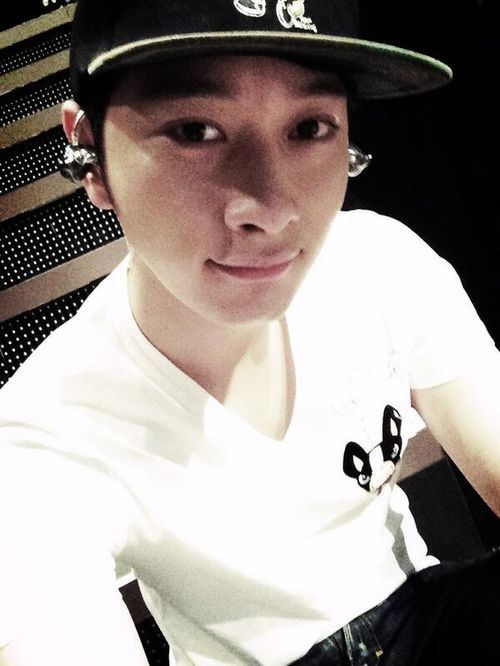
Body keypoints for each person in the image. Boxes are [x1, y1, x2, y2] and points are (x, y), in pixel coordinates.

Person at [1, 0, 499, 664]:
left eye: (309, 127)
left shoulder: (381, 263)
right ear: (90, 154)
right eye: (195, 130)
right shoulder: (45, 434)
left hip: (421, 611)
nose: (273, 208)